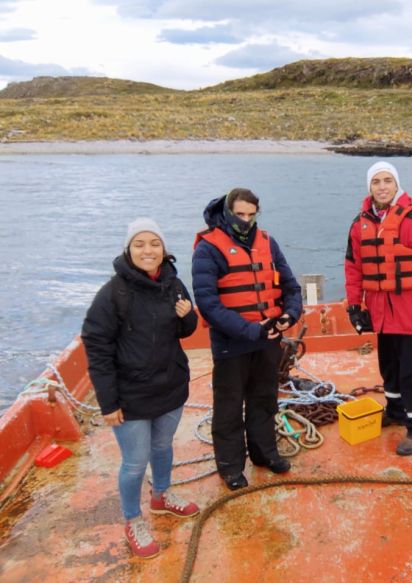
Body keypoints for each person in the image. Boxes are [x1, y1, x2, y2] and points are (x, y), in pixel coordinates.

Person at [82, 217, 200, 560]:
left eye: (154, 244)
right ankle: (133, 519)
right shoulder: (113, 294)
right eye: (140, 244)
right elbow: (96, 347)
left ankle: (161, 495)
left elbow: (186, 330)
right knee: (134, 463)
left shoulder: (174, 283)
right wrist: (108, 403)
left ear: (163, 249)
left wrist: (187, 315)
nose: (148, 250)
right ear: (128, 249)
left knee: (162, 447)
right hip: (131, 396)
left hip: (171, 387)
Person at [192, 188, 302, 490]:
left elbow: (291, 287)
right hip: (232, 345)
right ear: (227, 212)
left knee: (264, 400)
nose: (246, 220)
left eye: (251, 215)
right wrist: (251, 329)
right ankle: (230, 467)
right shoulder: (208, 249)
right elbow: (209, 304)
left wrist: (289, 316)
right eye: (240, 215)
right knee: (229, 407)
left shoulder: (268, 243)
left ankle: (265, 453)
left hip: (267, 341)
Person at [344, 161, 412, 455]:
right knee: (388, 367)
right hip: (380, 314)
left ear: (396, 184)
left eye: (387, 181)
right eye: (376, 182)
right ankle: (395, 411)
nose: (382, 187)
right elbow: (353, 267)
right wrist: (354, 305)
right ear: (369, 187)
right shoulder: (359, 224)